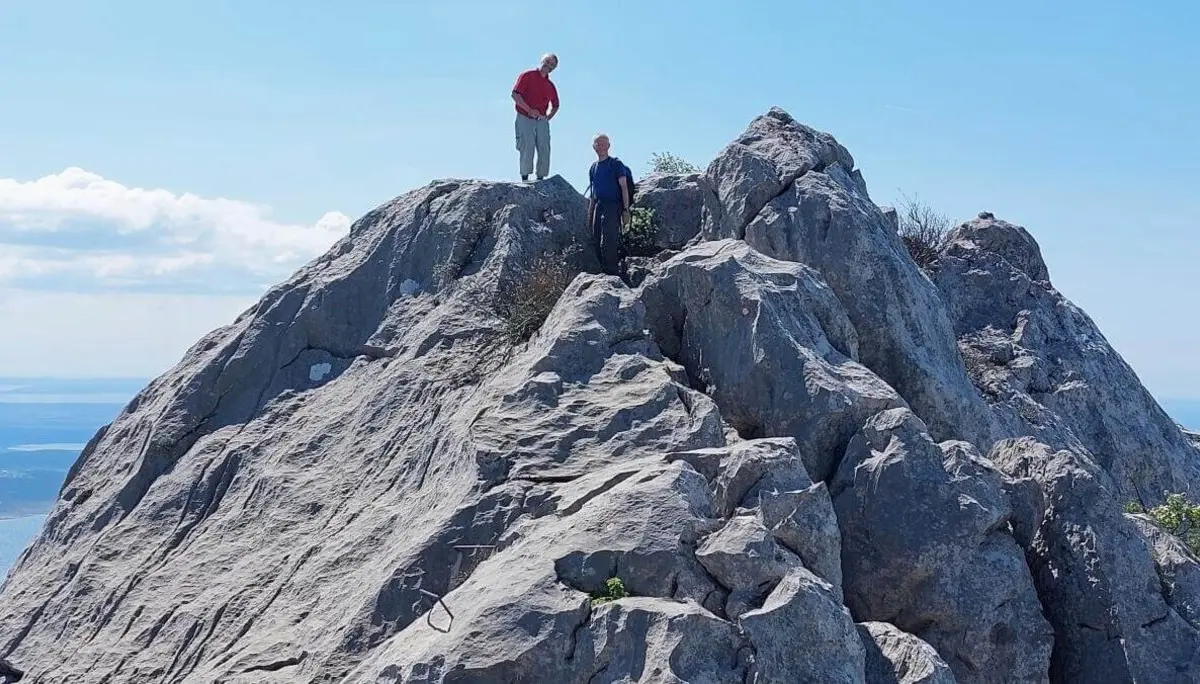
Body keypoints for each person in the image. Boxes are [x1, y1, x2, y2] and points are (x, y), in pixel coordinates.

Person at [586, 133, 631, 277]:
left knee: (608, 240)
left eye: (604, 144)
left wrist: (625, 210)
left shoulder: (616, 164)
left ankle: (612, 273)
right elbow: (593, 193)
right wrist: (590, 214)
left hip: (613, 205)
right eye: (598, 144)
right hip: (599, 205)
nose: (601, 147)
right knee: (596, 239)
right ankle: (604, 271)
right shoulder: (593, 168)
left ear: (609, 146)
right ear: (594, 147)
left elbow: (623, 187)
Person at [511, 53, 559, 182]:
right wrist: (529, 110)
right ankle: (525, 179)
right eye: (547, 62)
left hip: (541, 120)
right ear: (542, 61)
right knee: (527, 146)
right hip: (524, 116)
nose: (549, 66)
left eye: (552, 65)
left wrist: (547, 117)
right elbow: (515, 95)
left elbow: (555, 105)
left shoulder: (550, 85)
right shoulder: (527, 75)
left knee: (544, 148)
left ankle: (540, 178)